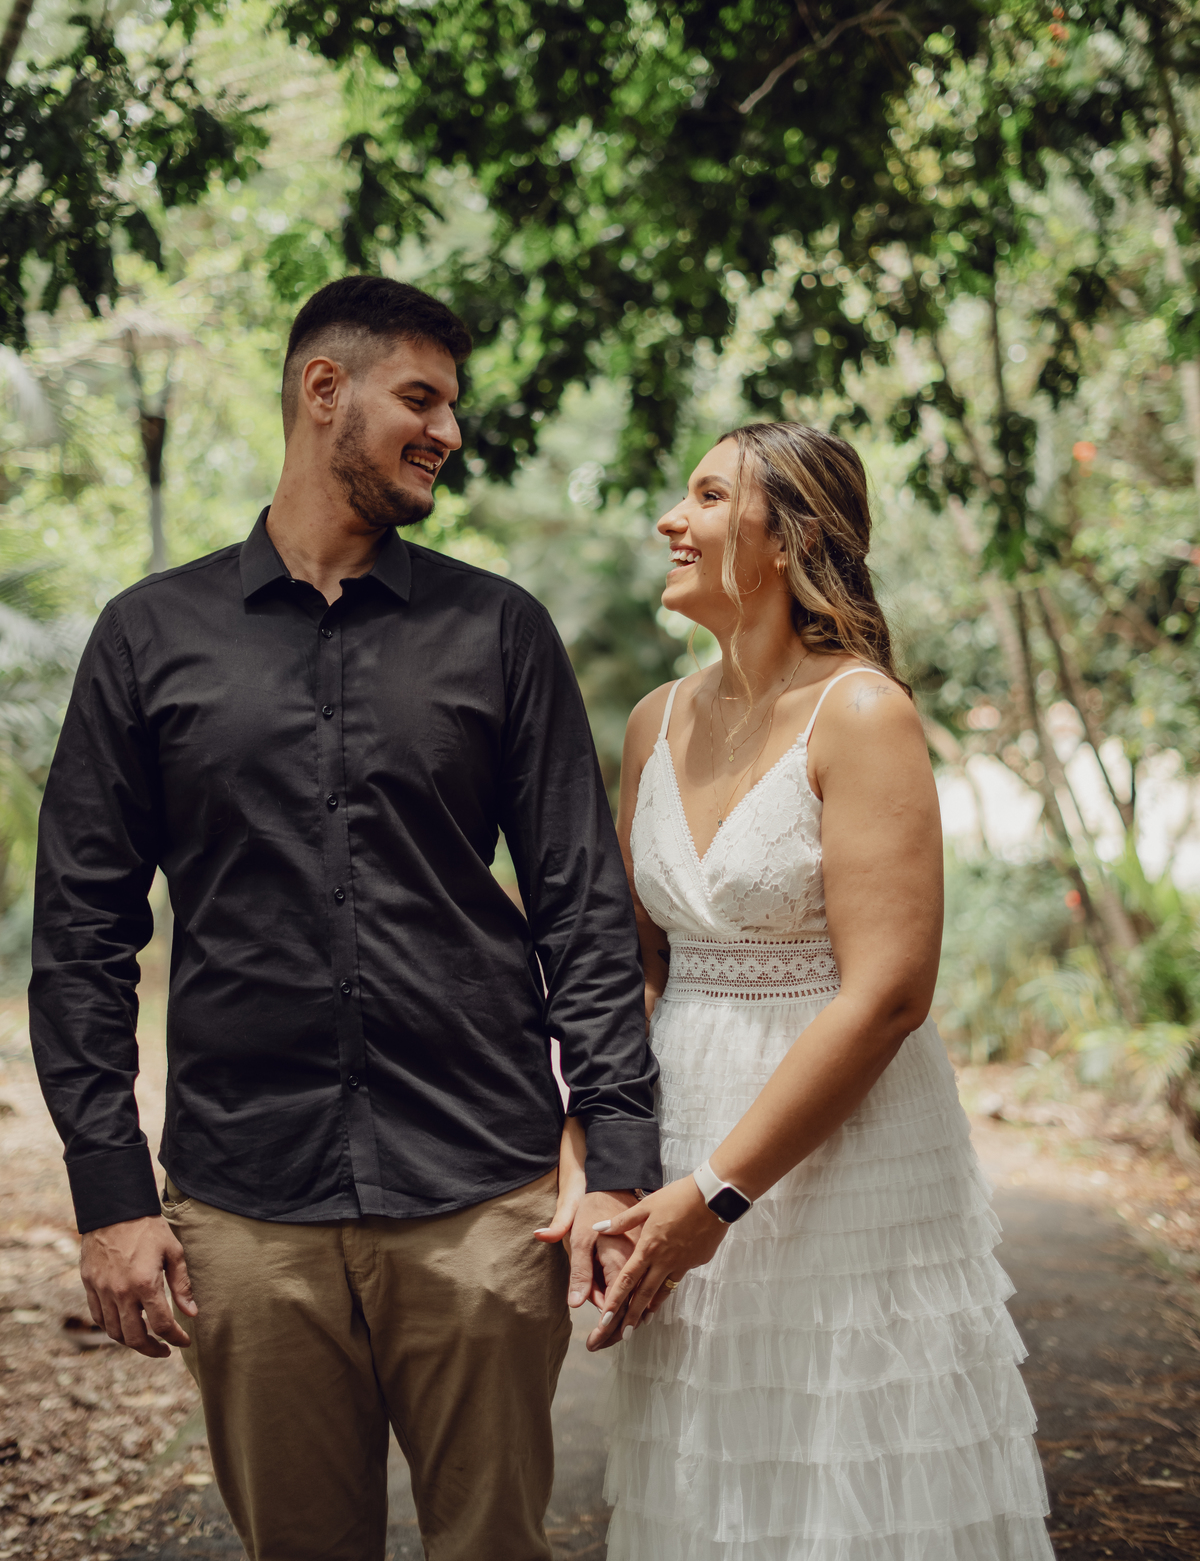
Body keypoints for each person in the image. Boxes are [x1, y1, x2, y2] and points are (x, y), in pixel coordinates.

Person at [29, 274, 661, 1561]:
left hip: (480, 1198)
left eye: (452, 407)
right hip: (246, 1207)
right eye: (421, 399)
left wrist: (620, 1167)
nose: (449, 432)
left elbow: (583, 911)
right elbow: (82, 939)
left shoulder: (500, 632)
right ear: (326, 390)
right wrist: (110, 1195)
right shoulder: (148, 637)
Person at [593, 423, 1054, 1560]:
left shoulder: (860, 712)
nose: (672, 520)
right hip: (680, 1131)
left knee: (849, 1472)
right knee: (713, 1480)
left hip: (840, 1161)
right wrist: (606, 1164)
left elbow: (890, 994)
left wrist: (718, 1195)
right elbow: (635, 968)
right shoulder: (654, 720)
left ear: (788, 539)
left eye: (709, 496)